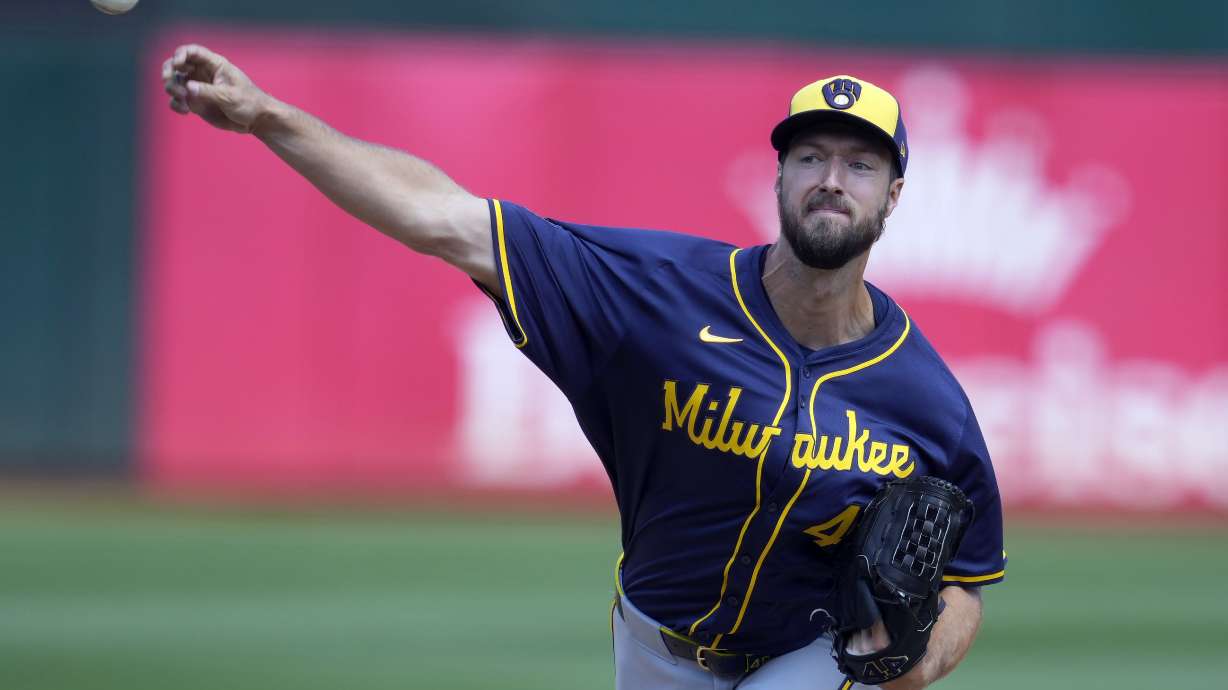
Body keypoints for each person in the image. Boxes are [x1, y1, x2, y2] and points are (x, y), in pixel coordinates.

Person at [162, 45, 1005, 689]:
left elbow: (967, 582)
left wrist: (916, 661)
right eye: (811, 157)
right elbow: (442, 217)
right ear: (778, 173)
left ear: (893, 196)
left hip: (808, 655)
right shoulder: (657, 296)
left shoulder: (924, 397)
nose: (832, 181)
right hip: (652, 644)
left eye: (860, 165)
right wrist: (268, 115)